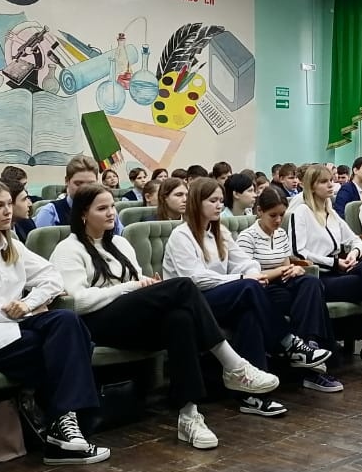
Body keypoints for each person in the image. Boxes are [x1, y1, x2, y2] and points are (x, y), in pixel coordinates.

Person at [50, 184, 283, 448]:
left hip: (130, 318)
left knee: (180, 318)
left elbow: (136, 279)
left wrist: (147, 284)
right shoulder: (68, 249)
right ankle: (234, 366)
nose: (111, 213)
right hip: (97, 323)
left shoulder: (120, 243)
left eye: (112, 206)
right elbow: (78, 301)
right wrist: (130, 287)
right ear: (83, 214)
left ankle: (189, 415)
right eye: (102, 208)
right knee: (184, 286)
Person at [0, 180, 108, 466]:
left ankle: (63, 429)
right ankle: (70, 426)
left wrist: (28, 303)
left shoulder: (11, 245)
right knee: (73, 344)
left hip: (12, 328)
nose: (7, 211)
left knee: (66, 321)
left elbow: (53, 277)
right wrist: (24, 310)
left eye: (8, 204)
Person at [163, 178, 329, 416]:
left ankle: (253, 396)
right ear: (196, 202)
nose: (219, 205)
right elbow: (195, 279)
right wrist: (242, 279)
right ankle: (288, 343)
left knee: (249, 315)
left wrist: (251, 273)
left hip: (220, 296)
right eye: (213, 201)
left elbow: (245, 261)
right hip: (192, 303)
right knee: (249, 288)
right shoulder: (182, 235)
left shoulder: (219, 231)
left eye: (221, 200)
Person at [287, 164, 362, 373]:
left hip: (340, 268)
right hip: (320, 276)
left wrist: (354, 253)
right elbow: (299, 252)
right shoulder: (301, 212)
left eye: (331, 180)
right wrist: (334, 262)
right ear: (311, 186)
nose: (331, 185)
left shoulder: (331, 213)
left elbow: (355, 240)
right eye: (324, 182)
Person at [236, 186, 343, 393]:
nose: (278, 220)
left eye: (281, 215)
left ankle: (309, 345)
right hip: (262, 288)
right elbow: (249, 277)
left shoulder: (281, 234)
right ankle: (311, 364)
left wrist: (294, 268)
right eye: (272, 215)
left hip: (282, 283)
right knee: (306, 300)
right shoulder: (247, 237)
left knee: (312, 283)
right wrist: (280, 271)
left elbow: (285, 264)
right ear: (259, 211)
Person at [33, 156, 121, 234]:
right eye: (78, 184)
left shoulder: (109, 211)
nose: (85, 189)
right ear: (67, 181)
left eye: (91, 184)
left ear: (97, 181)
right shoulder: (50, 212)